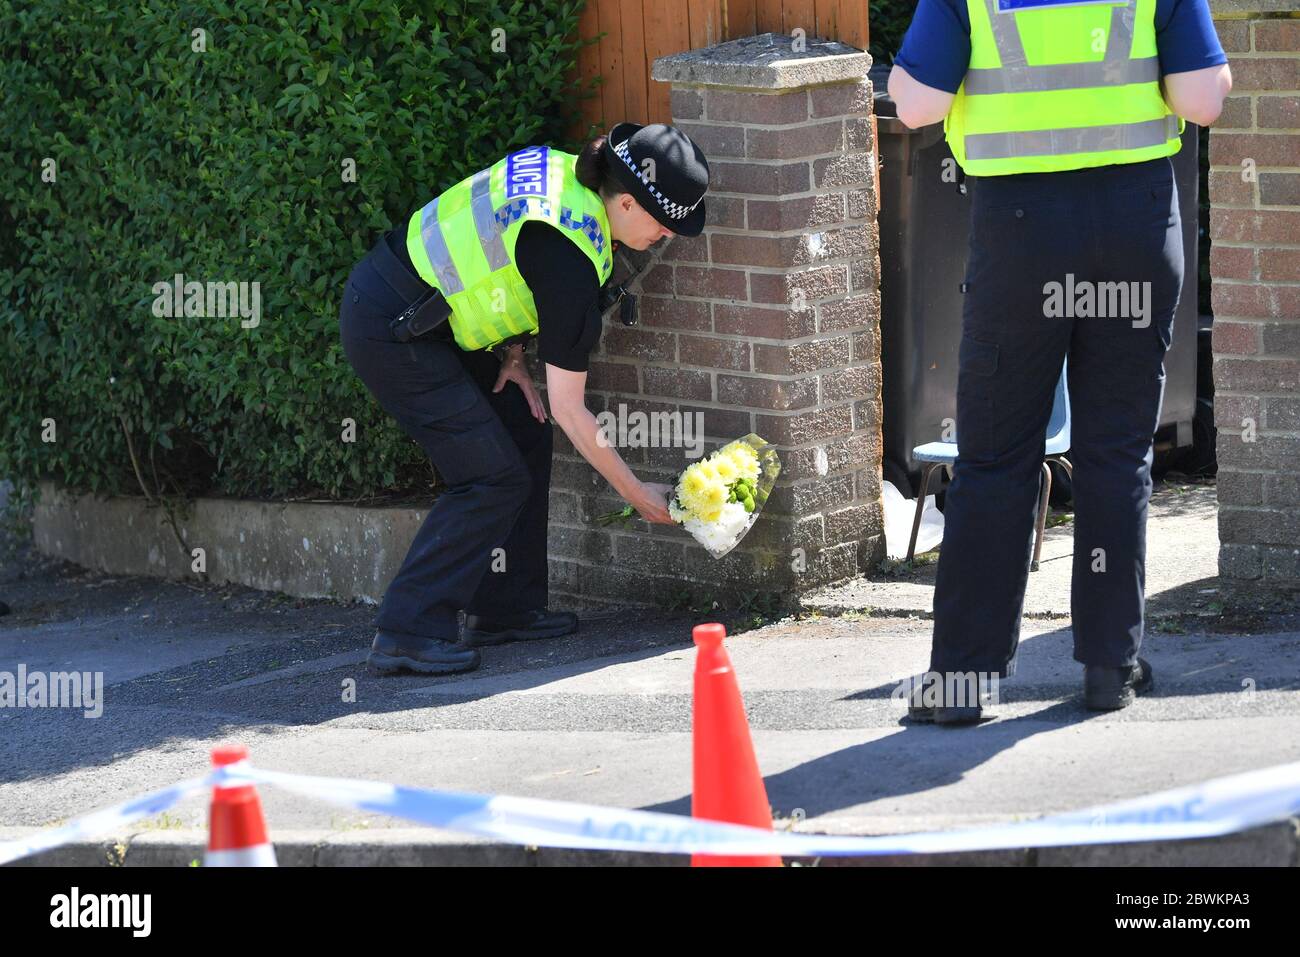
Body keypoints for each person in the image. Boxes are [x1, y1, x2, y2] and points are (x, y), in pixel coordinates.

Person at [888, 0, 1231, 722]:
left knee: (996, 453)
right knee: (1116, 451)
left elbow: (915, 105)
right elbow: (1205, 99)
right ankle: (1110, 665)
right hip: (1135, 223)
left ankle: (962, 682)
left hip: (1021, 233)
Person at [338, 123, 710, 676]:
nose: (667, 236)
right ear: (627, 202)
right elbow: (571, 410)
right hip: (392, 329)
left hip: (428, 317)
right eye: (663, 224)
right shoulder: (571, 260)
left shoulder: (569, 181)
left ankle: (505, 607)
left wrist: (512, 354)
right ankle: (408, 629)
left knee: (523, 428)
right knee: (490, 476)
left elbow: (499, 255)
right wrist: (637, 493)